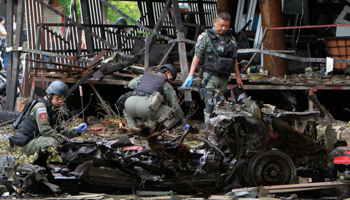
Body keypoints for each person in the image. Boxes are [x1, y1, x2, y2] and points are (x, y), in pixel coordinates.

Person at [181, 12, 243, 123]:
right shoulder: (206, 37)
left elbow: (235, 59)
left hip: (224, 78)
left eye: (226, 26)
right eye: (221, 25)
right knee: (209, 105)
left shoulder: (231, 39)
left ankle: (219, 132)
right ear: (215, 22)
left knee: (222, 105)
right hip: (210, 76)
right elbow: (197, 55)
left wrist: (238, 77)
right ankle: (208, 133)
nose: (223, 28)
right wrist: (190, 75)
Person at [10, 80, 87, 156]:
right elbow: (45, 130)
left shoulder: (52, 109)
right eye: (58, 98)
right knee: (52, 142)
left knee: (57, 140)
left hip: (34, 141)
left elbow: (59, 130)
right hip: (24, 146)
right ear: (49, 95)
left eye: (63, 99)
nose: (61, 101)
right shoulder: (41, 107)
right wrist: (63, 139)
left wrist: (76, 131)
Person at [121, 64, 185, 128]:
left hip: (129, 105)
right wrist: (184, 121)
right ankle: (151, 128)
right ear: (169, 73)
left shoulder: (145, 76)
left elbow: (130, 84)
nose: (171, 81)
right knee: (169, 111)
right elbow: (175, 104)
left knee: (130, 114)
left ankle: (132, 130)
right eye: (172, 79)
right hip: (145, 108)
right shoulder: (165, 83)